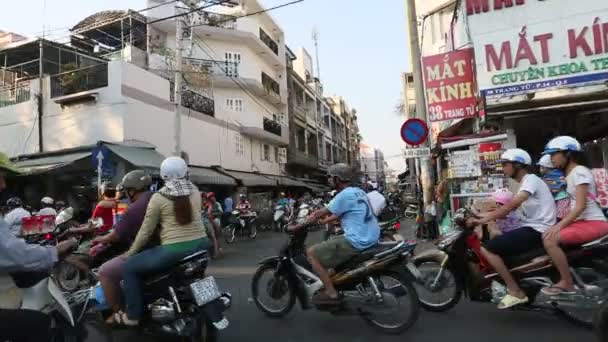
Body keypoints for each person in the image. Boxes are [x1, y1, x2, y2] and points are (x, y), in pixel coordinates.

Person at [119, 157, 211, 326]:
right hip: (202, 245)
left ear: (163, 175)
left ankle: (133, 316)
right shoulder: (196, 191)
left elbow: (146, 231)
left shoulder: (159, 197)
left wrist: (130, 253)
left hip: (175, 250)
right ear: (185, 172)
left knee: (130, 267)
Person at [0, 152, 78, 342]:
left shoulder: (22, 213)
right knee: (36, 324)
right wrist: (55, 250)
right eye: (0, 176)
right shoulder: (26, 213)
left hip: (29, 242)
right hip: (27, 246)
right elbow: (13, 252)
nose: (3, 185)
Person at [472, 148, 556, 309]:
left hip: (537, 230)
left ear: (518, 165)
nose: (503, 168)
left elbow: (512, 204)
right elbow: (511, 209)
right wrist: (484, 214)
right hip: (533, 227)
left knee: (487, 249)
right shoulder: (526, 182)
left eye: (505, 164)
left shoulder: (530, 179)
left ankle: (515, 291)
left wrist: (489, 217)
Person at [290, 163, 380, 304]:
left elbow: (317, 214)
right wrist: (326, 221)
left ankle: (331, 293)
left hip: (357, 240)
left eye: (331, 177)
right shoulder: (358, 191)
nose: (329, 180)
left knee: (312, 252)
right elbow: (344, 212)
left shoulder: (343, 195)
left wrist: (297, 227)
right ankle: (335, 277)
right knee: (334, 239)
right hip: (372, 236)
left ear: (338, 179)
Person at [541, 136, 608, 295]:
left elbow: (580, 207)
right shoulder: (570, 175)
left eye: (554, 155)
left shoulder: (579, 173)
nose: (551, 159)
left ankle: (566, 282)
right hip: (582, 222)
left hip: (593, 222)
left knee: (550, 239)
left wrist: (559, 225)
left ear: (568, 154)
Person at [94, 170, 154, 324]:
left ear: (132, 190)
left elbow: (112, 233)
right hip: (162, 245)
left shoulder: (130, 208)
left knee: (105, 271)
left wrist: (99, 238)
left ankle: (118, 312)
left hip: (143, 248)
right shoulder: (154, 199)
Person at [538, 154, 571, 220]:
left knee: (561, 216)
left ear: (547, 167)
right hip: (560, 197)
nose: (540, 170)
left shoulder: (550, 176)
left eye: (541, 167)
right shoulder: (559, 173)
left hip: (562, 197)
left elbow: (553, 187)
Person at [201, 193, 221, 258]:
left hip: (213, 219)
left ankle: (216, 251)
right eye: (202, 198)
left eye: (204, 198)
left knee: (213, 235)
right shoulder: (199, 205)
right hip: (202, 221)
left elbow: (210, 212)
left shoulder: (214, 204)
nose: (203, 199)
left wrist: (210, 214)